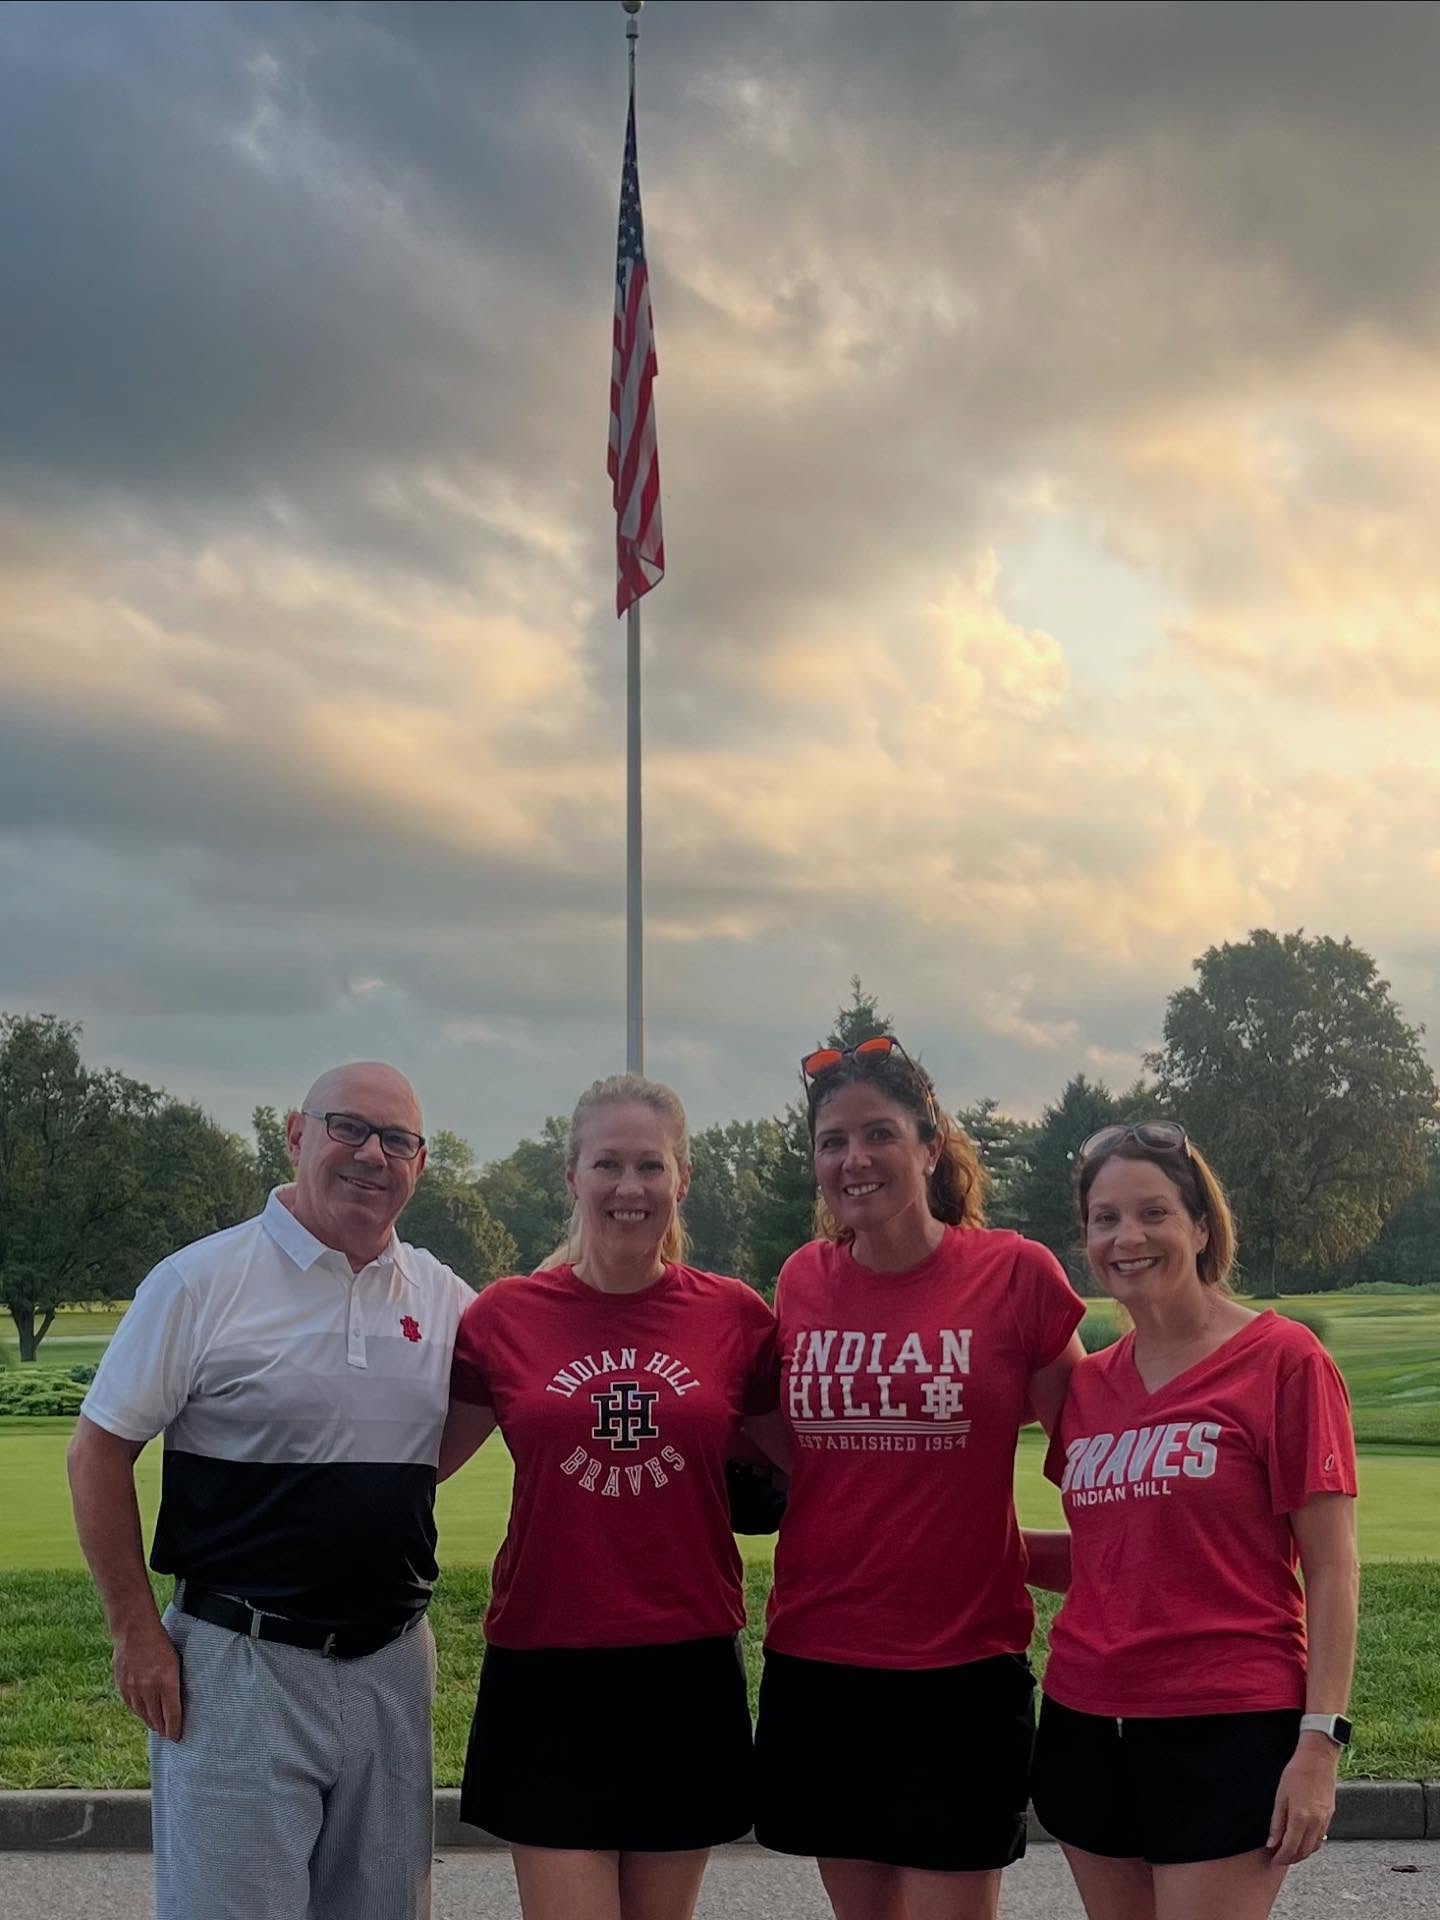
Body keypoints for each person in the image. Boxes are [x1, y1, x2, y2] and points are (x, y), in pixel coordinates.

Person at [67, 1062, 474, 1920]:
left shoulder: (441, 1297)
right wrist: (135, 1631)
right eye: (348, 1129)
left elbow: (484, 1408)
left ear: (420, 1164)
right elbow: (98, 1451)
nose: (371, 1154)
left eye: (396, 1140)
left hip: (392, 1661)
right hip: (236, 1660)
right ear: (296, 1135)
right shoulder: (201, 1280)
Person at [753, 1034, 1087, 1920]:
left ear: (931, 1147)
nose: (855, 1159)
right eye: (833, 1142)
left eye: (879, 1134)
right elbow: (809, 1457)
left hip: (962, 1670)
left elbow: (1095, 1458)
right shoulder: (801, 1281)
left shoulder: (1016, 1275)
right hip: (819, 1656)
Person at [440, 1072, 781, 1920]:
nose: (630, 1188)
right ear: (573, 1177)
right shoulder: (503, 1318)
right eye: (607, 1165)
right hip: (547, 1658)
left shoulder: (737, 1319)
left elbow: (818, 1473)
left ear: (682, 1178)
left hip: (685, 1659)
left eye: (650, 1166)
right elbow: (412, 1461)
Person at [1029, 1121, 1359, 1920]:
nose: (1126, 1237)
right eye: (1104, 1219)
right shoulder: (1089, 1387)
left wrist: (1321, 1742)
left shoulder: (1283, 1360)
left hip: (1227, 1725)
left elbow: (1331, 1567)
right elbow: (1118, 1555)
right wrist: (981, 1551)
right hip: (1084, 1718)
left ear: (1201, 1227)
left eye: (1152, 1213)